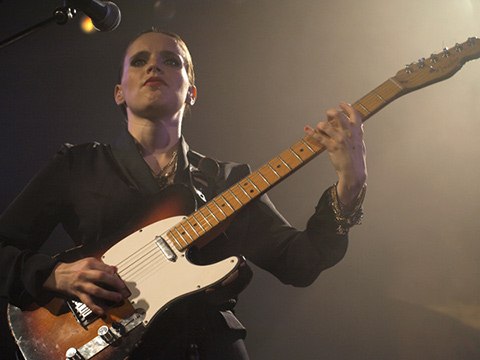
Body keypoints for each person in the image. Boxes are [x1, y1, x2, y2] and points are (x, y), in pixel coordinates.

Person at [0, 29, 367, 359]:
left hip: (207, 346)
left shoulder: (227, 180)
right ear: (118, 92)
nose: (153, 67)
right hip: (105, 343)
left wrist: (349, 188)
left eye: (171, 61)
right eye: (139, 61)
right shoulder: (78, 164)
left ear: (191, 92)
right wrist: (56, 275)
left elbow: (299, 263)